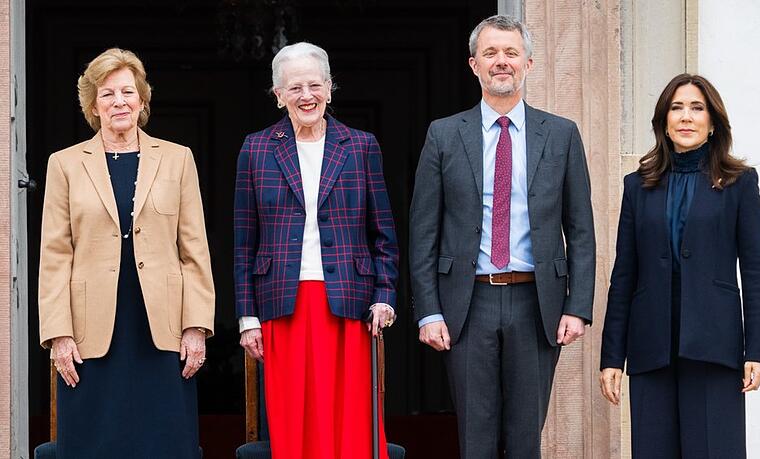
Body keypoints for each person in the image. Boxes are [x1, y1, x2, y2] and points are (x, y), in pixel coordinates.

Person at [410, 15, 596, 458]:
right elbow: (423, 232)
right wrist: (428, 311)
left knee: (525, 436)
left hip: (537, 303)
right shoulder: (443, 135)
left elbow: (582, 229)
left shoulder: (563, 134)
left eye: (511, 53)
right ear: (473, 64)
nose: (501, 62)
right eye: (491, 53)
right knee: (475, 436)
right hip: (466, 304)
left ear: (529, 64)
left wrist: (578, 306)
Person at [38, 48, 215, 458]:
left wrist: (196, 325)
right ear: (93, 106)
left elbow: (195, 251)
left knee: (165, 442)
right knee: (92, 442)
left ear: (142, 100)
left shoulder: (177, 159)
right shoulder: (64, 164)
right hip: (90, 333)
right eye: (107, 95)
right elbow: (55, 255)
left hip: (162, 329)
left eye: (127, 92)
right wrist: (59, 333)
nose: (119, 102)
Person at [234, 42, 399, 459]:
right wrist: (247, 316)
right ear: (277, 95)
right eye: (294, 88)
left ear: (329, 88)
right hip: (281, 304)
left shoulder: (361, 146)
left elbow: (383, 233)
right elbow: (243, 241)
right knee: (293, 420)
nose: (306, 95)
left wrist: (384, 295)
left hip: (349, 301)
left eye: (314, 85)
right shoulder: (256, 148)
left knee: (350, 422)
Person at [599, 74, 760, 458]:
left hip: (715, 345)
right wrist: (612, 356)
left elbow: (757, 273)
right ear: (663, 121)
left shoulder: (740, 183)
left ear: (713, 123)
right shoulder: (637, 186)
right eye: (676, 108)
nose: (686, 117)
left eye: (697, 108)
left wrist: (755, 350)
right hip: (650, 347)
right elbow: (624, 275)